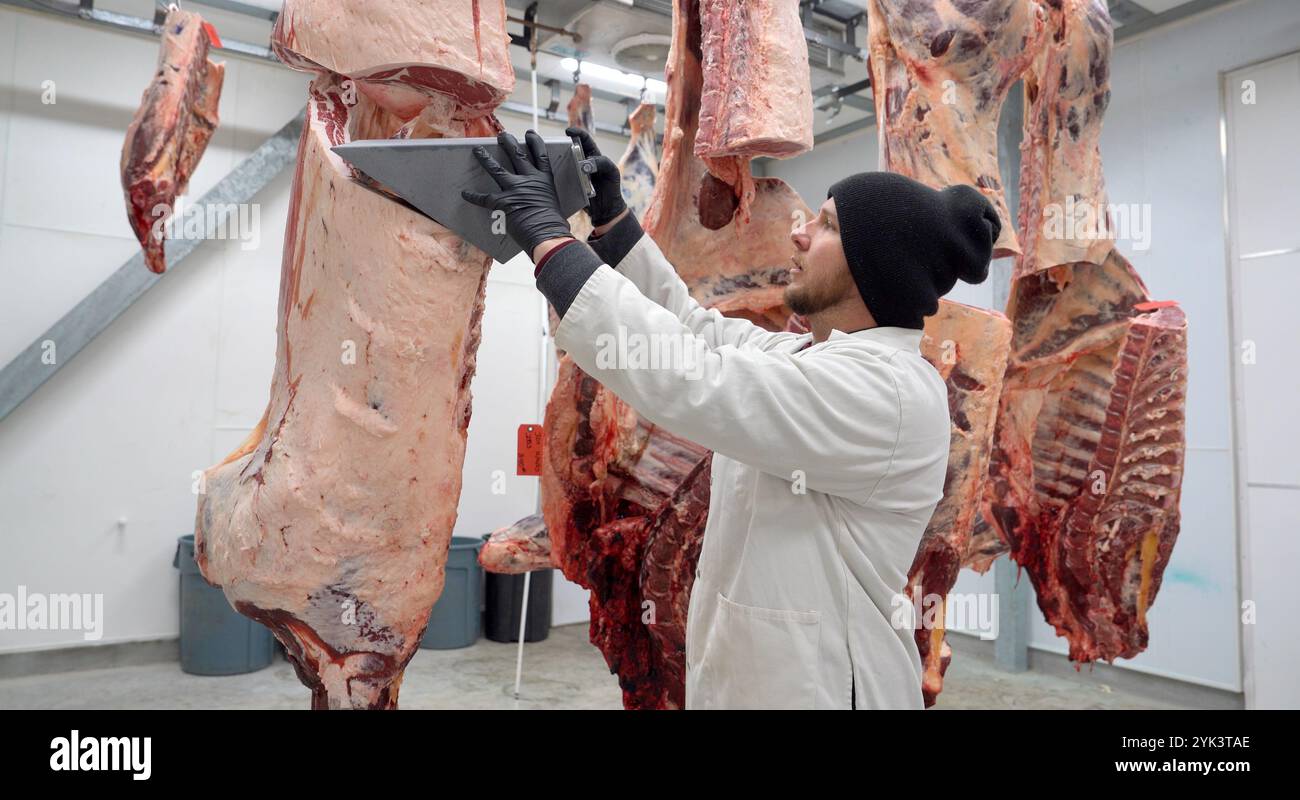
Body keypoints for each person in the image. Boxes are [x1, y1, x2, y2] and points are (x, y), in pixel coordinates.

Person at [463, 128, 1000, 709]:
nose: (798, 233)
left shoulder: (886, 393)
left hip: (822, 691)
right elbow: (695, 330)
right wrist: (614, 222)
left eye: (826, 226)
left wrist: (547, 241)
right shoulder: (815, 359)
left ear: (874, 268)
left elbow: (694, 377)